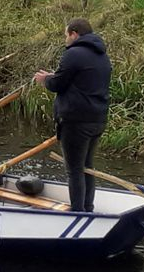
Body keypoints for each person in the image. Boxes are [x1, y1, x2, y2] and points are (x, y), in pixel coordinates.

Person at [33, 17, 110, 212]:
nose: (65, 39)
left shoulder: (73, 53)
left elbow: (58, 84)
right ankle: (87, 207)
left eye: (66, 35)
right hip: (97, 118)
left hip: (75, 121)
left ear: (74, 34)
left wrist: (45, 80)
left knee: (74, 170)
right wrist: (55, 75)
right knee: (87, 166)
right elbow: (79, 80)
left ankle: (77, 212)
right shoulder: (101, 54)